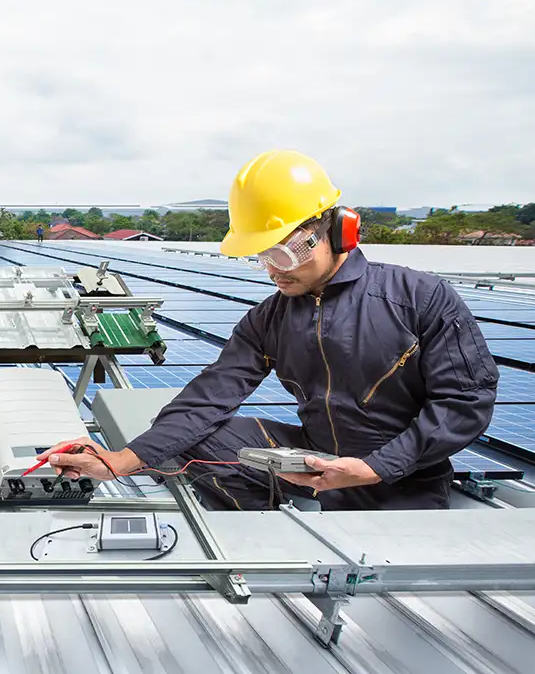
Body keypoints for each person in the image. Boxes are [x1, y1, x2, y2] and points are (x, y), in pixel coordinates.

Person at [39, 150, 499, 511]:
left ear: (337, 232)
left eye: (284, 254)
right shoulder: (272, 317)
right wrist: (120, 461)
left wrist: (374, 467)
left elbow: (465, 402)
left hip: (402, 480)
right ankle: (262, 523)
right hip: (314, 460)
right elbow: (208, 398)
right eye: (262, 258)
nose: (273, 272)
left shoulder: (419, 297)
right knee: (190, 438)